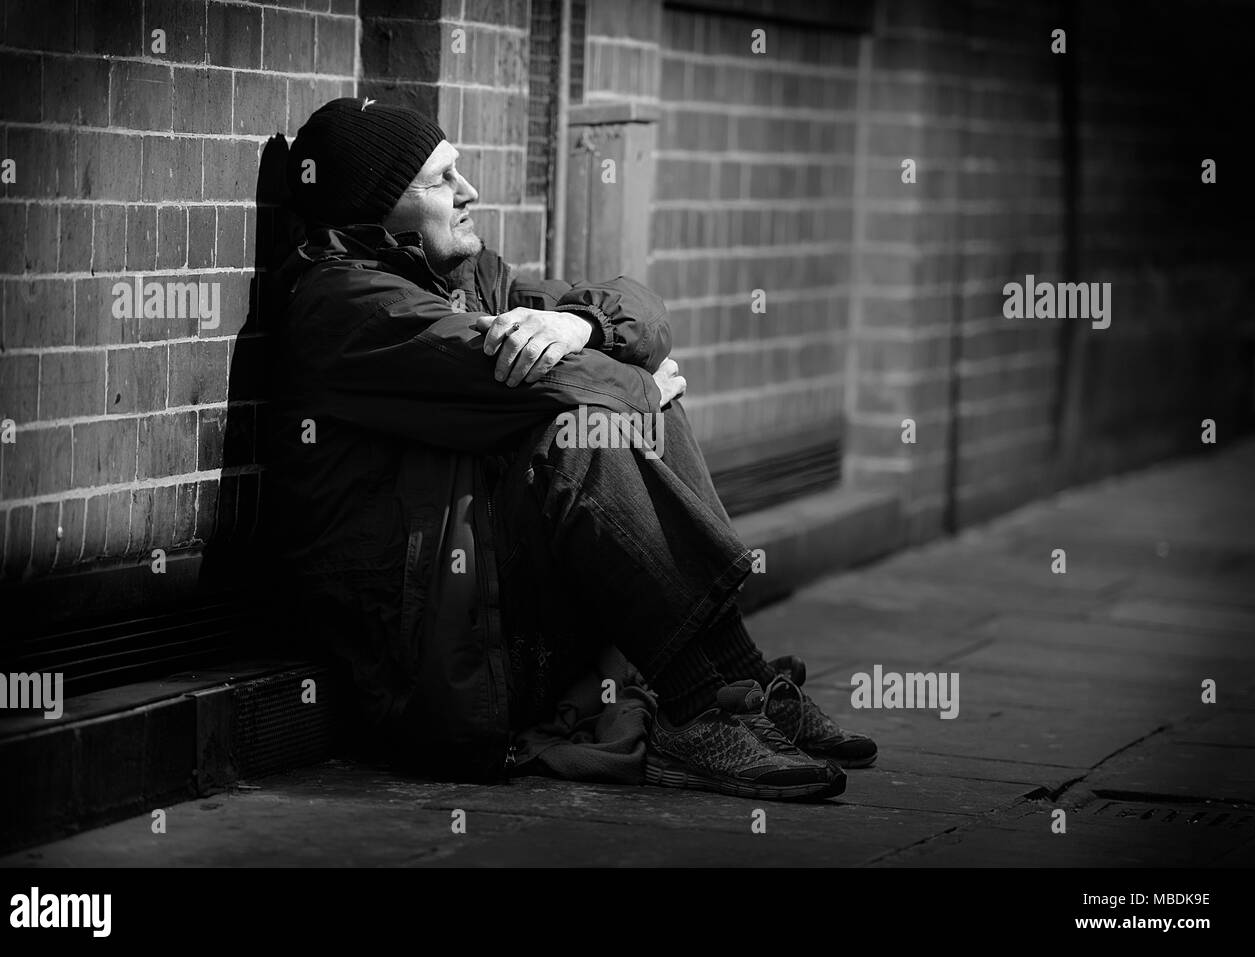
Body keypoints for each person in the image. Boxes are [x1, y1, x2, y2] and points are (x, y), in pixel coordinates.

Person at [266, 98, 876, 803]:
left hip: (491, 602)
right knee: (586, 431)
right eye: (441, 180)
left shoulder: (468, 278)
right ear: (376, 211)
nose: (469, 192)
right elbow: (566, 381)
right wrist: (639, 382)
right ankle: (695, 709)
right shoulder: (347, 306)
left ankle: (739, 680)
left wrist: (583, 324)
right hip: (427, 654)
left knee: (613, 401)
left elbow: (644, 313)